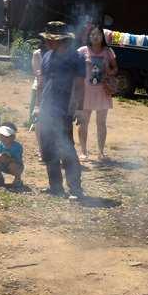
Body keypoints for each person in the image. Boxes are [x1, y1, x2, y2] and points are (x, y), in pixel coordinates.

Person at [37, 21, 85, 199]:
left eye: (52, 39)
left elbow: (79, 86)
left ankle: (75, 189)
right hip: (46, 109)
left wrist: (79, 109)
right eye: (47, 39)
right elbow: (42, 84)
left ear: (63, 40)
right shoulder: (47, 55)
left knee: (66, 149)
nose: (48, 42)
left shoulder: (76, 58)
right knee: (48, 149)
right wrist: (37, 106)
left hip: (64, 110)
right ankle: (55, 187)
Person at [77, 25, 118, 161]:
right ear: (88, 36)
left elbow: (115, 69)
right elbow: (74, 68)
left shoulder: (108, 52)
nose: (95, 37)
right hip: (85, 92)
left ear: (103, 37)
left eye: (98, 34)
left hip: (102, 91)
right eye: (93, 34)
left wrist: (108, 70)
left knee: (101, 123)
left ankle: (101, 152)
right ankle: (83, 152)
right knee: (84, 122)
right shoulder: (82, 51)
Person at [0, 122, 24, 189]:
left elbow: (18, 160)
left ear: (13, 137)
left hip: (15, 166)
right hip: (3, 165)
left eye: (6, 137)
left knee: (13, 166)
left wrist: (8, 159)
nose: (3, 138)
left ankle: (18, 179)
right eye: (1, 135)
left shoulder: (17, 146)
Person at [30, 42, 45, 159]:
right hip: (38, 89)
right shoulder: (37, 54)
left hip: (53, 89)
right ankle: (41, 149)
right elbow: (37, 74)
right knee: (38, 122)